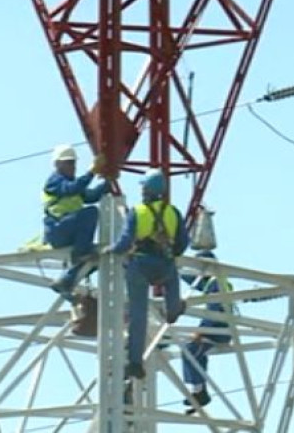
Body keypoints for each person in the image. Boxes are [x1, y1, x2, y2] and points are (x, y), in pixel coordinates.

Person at [105, 168, 189, 379]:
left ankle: (135, 362)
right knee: (172, 276)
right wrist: (170, 253)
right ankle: (173, 308)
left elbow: (124, 243)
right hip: (164, 264)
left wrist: (110, 250)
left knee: (138, 315)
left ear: (146, 191)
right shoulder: (173, 213)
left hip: (140, 265)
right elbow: (182, 244)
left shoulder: (138, 212)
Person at [43, 144, 108, 297]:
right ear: (57, 164)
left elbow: (90, 196)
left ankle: (69, 277)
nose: (72, 166)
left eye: (73, 162)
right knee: (90, 214)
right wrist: (92, 172)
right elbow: (71, 189)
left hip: (69, 229)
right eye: (68, 162)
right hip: (58, 229)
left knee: (89, 257)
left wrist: (107, 184)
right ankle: (81, 255)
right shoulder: (54, 181)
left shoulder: (73, 183)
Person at [180, 250, 234, 413]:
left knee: (191, 350)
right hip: (220, 327)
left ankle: (199, 391)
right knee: (197, 353)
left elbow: (215, 310)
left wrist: (202, 331)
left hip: (218, 328)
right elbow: (191, 280)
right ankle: (199, 390)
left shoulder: (216, 283)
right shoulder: (215, 281)